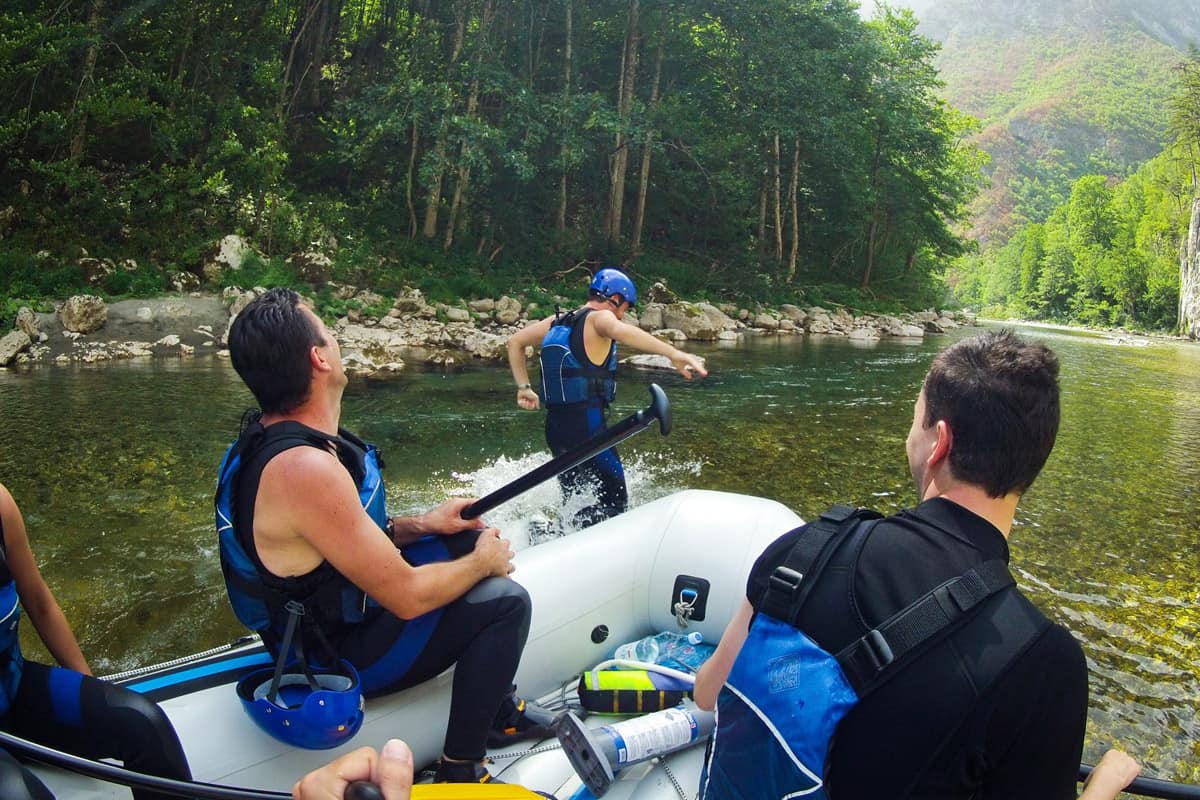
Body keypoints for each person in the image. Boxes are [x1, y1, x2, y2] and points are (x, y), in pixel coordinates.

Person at [693, 329, 1142, 800]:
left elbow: (707, 692)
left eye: (915, 421)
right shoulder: (1045, 661)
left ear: (938, 443)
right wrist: (1104, 784)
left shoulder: (803, 550)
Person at [222, 288, 552, 784]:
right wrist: (483, 564)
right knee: (506, 602)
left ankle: (499, 709)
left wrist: (425, 524)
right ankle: (462, 767)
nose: (336, 340)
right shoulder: (304, 468)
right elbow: (408, 598)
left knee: (464, 538)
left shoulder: (274, 439)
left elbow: (331, 543)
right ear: (319, 359)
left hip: (328, 619)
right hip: (332, 656)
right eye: (329, 333)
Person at [0, 483, 192, 800]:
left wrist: (89, 688)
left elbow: (40, 602)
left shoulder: (1, 504)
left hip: (13, 690)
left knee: (142, 723)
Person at [506, 268, 707, 527]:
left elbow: (515, 342)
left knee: (572, 496)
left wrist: (524, 387)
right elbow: (622, 331)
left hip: (555, 430)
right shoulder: (600, 318)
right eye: (625, 307)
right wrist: (673, 353)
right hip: (588, 431)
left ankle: (554, 534)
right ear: (614, 299)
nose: (622, 315)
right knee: (616, 504)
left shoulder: (558, 321)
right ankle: (576, 535)